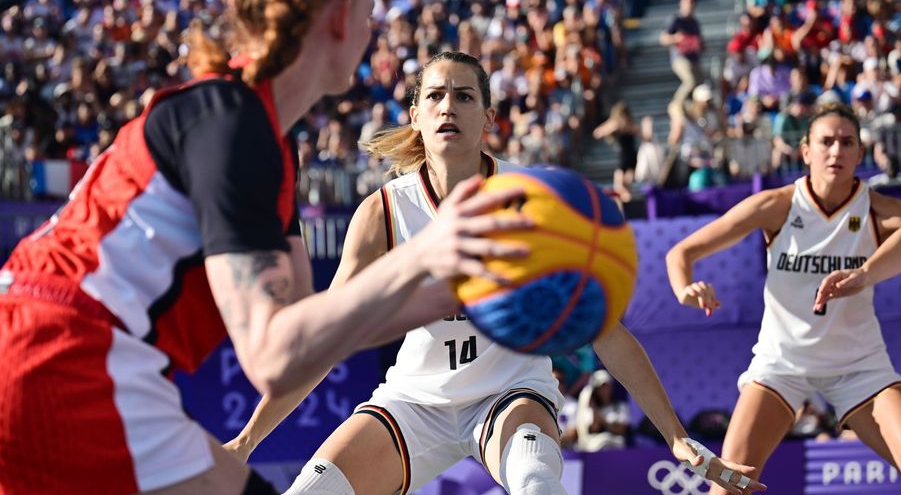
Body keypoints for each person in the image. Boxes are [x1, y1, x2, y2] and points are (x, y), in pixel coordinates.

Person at [0, 0, 534, 494]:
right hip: (54, 360)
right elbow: (275, 355)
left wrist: (432, 288)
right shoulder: (239, 125)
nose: (372, 29)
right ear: (340, 17)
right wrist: (434, 262)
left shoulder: (243, 131)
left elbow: (304, 343)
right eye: (368, 11)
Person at [225, 52, 765, 495]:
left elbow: (605, 331)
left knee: (537, 484)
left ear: (488, 118)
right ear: (415, 114)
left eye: (464, 96)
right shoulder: (382, 212)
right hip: (415, 399)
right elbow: (325, 341)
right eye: (435, 95)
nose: (448, 106)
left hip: (508, 393)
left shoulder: (536, 202)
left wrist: (675, 436)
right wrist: (246, 442)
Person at [666, 102, 901, 494]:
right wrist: (685, 289)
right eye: (826, 141)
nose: (836, 151)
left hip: (861, 366)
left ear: (860, 154)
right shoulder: (777, 204)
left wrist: (865, 275)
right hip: (782, 363)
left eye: (848, 142)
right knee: (731, 484)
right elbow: (680, 253)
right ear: (806, 151)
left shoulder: (877, 210)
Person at [592, 101, 638, 201]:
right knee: (619, 187)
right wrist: (612, 128)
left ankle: (628, 207)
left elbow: (639, 132)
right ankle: (625, 206)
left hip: (631, 157)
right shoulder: (615, 124)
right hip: (623, 158)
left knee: (623, 186)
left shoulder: (630, 125)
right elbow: (597, 133)